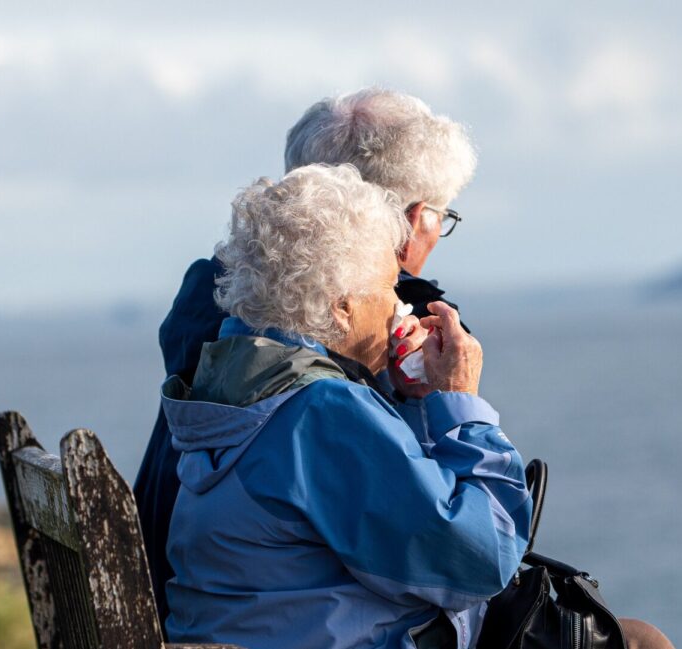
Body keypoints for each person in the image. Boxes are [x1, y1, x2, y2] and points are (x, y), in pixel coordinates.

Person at [134, 88, 477, 625]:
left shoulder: (219, 307)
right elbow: (459, 554)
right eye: (441, 214)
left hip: (169, 590)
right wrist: (452, 404)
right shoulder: (362, 349)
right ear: (411, 220)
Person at [162, 164, 531, 648]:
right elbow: (481, 560)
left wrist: (411, 399)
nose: (399, 305)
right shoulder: (320, 411)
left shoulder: (233, 383)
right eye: (389, 287)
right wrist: (460, 401)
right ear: (342, 307)